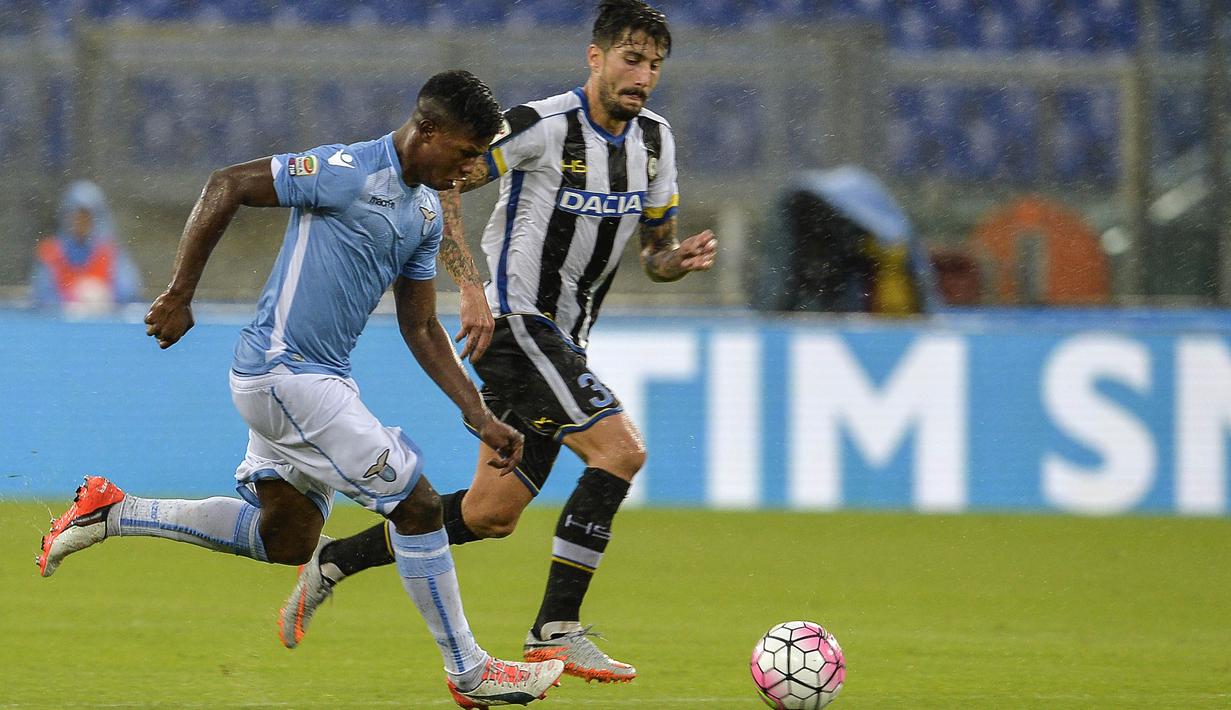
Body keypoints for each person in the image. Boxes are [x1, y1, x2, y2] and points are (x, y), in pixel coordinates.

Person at [35, 69, 565, 709]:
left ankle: (112, 512)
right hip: (286, 372)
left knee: (287, 537)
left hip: (311, 381)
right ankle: (470, 671)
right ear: (426, 130)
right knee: (419, 506)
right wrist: (179, 293)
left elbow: (421, 324)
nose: (469, 169)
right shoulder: (345, 170)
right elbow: (226, 184)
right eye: (463, 153)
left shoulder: (424, 212)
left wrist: (476, 412)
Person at [279, 0, 718, 684]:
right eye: (631, 59)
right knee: (620, 451)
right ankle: (556, 629)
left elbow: (654, 253)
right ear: (595, 56)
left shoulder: (655, 142)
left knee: (489, 514)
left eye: (655, 65)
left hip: (562, 342)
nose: (644, 76)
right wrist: (470, 283)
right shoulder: (542, 125)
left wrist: (676, 259)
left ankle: (334, 560)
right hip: (516, 327)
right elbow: (449, 177)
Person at [30, 180, 143, 314]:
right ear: (66, 216)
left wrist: (102, 298)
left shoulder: (110, 252)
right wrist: (71, 302)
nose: (81, 222)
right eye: (76, 215)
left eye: (86, 216)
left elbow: (129, 294)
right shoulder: (51, 252)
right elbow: (42, 296)